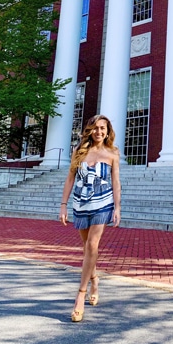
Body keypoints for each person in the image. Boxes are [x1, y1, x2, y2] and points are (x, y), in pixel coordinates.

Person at [59, 114, 121, 322]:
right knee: (87, 248)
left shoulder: (112, 153)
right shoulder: (80, 151)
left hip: (103, 203)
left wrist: (117, 207)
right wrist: (63, 205)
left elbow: (116, 181)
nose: (99, 132)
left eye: (102, 128)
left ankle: (80, 294)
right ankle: (94, 279)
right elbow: (70, 178)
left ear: (107, 130)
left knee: (93, 246)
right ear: (89, 130)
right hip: (81, 203)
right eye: (95, 128)